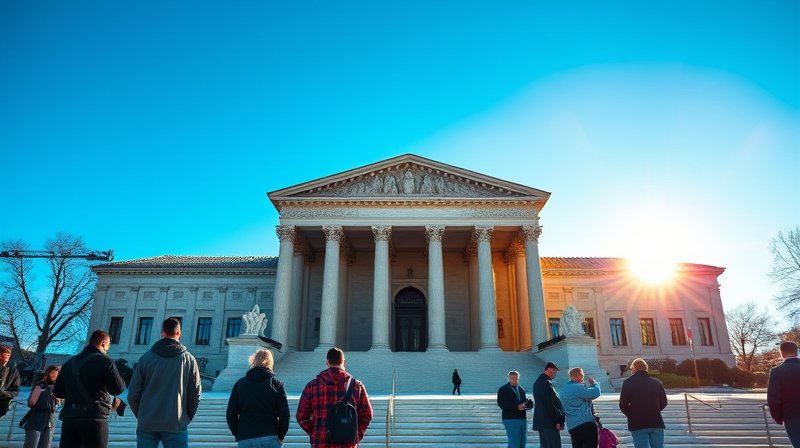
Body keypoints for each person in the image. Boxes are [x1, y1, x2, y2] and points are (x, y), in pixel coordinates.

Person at [128, 317, 202, 448]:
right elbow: (196, 393)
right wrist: (185, 417)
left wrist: (142, 415)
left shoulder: (145, 358)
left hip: (147, 422)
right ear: (178, 333)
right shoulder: (189, 360)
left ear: (162, 332)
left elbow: (133, 393)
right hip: (176, 422)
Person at [53, 330, 126, 448]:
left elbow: (58, 392)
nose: (108, 348)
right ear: (103, 343)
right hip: (94, 418)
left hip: (70, 417)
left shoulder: (69, 363)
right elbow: (117, 389)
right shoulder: (104, 361)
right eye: (108, 344)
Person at [296, 347, 373, 448]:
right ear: (344, 362)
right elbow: (367, 414)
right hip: (347, 443)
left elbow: (301, 416)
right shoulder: (357, 386)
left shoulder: (312, 386)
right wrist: (356, 435)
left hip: (321, 443)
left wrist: (315, 432)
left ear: (327, 362)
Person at [226, 348, 290, 448]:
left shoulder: (240, 384)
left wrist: (238, 434)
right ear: (270, 362)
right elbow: (285, 415)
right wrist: (281, 436)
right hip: (270, 435)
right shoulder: (277, 384)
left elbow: (231, 414)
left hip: (246, 436)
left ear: (253, 360)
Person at [619, 358, 667, 448]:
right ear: (646, 369)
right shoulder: (657, 383)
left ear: (634, 369)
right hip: (656, 422)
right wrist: (654, 410)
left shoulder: (628, 383)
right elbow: (664, 402)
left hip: (638, 423)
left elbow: (622, 405)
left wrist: (631, 414)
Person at [767, 340, 800, 447]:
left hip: (791, 416)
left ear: (781, 353)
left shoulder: (777, 371)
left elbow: (773, 398)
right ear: (797, 351)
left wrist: (777, 417)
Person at [560, 367, 601, 448]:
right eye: (582, 376)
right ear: (578, 375)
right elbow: (595, 393)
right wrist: (595, 384)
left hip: (572, 425)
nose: (582, 378)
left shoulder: (563, 389)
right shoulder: (576, 387)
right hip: (585, 424)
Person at [22, 365, 60, 448]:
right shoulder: (40, 386)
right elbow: (31, 403)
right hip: (37, 420)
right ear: (48, 373)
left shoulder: (57, 387)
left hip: (49, 422)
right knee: (31, 445)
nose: (55, 375)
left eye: (56, 374)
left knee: (45, 445)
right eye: (53, 373)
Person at [532, 362, 565, 448]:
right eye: (555, 371)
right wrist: (557, 420)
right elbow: (548, 404)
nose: (555, 374)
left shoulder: (543, 381)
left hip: (546, 422)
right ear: (549, 369)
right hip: (549, 423)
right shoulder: (544, 382)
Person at [497, 370, 532, 448]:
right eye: (512, 378)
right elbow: (502, 404)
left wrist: (529, 404)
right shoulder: (503, 389)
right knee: (514, 443)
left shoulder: (521, 389)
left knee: (522, 443)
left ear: (518, 378)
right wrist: (517, 406)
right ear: (508, 378)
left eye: (516, 378)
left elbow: (523, 403)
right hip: (510, 419)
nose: (514, 379)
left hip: (522, 419)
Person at [0, 345, 20, 418]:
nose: (5, 358)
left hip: (2, 404)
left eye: (7, 355)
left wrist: (4, 393)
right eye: (2, 355)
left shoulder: (13, 371)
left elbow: (15, 390)